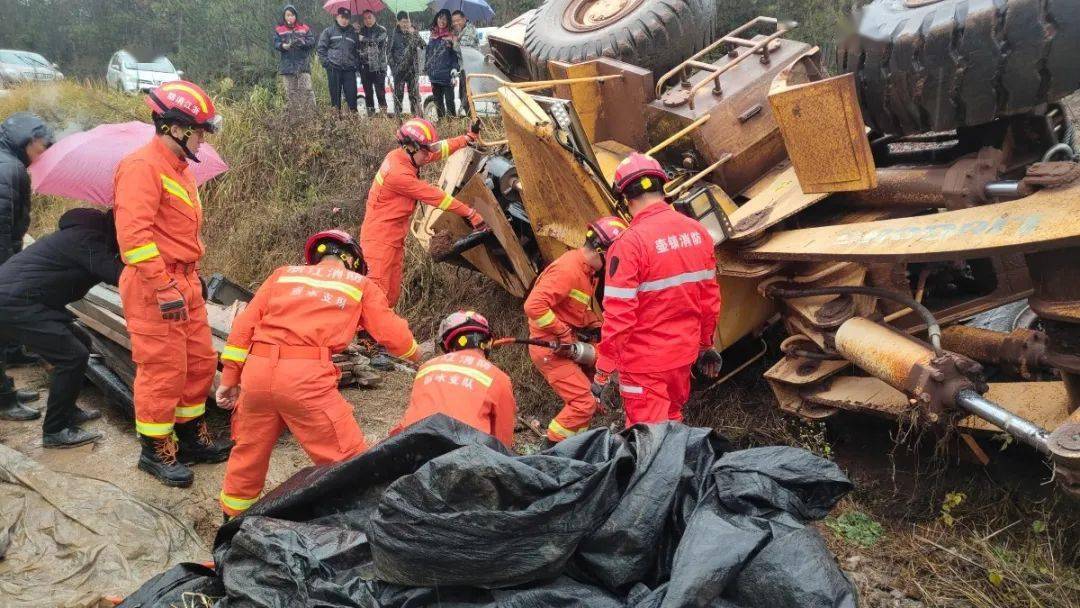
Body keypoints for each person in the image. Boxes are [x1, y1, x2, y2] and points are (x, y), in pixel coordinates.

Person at [216, 230, 420, 519]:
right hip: (305, 379)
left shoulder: (283, 275)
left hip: (257, 373)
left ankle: (231, 523)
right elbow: (393, 335)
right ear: (352, 260)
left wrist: (229, 379)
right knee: (348, 458)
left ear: (317, 256)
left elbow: (243, 327)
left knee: (248, 454)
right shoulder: (359, 284)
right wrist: (418, 355)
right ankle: (364, 524)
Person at [114, 81, 231, 488]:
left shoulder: (180, 170)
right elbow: (134, 238)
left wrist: (185, 280)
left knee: (198, 361)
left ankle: (189, 434)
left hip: (185, 280)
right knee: (162, 369)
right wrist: (163, 286)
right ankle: (155, 447)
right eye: (199, 130)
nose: (202, 138)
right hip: (155, 285)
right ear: (175, 128)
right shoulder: (142, 167)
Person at [593, 153, 723, 425]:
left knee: (647, 436)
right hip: (682, 357)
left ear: (625, 198)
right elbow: (709, 301)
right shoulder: (698, 232)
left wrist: (603, 369)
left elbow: (619, 316)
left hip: (644, 364)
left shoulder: (629, 245)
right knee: (673, 420)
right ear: (663, 188)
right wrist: (705, 345)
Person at [0, 208, 123, 446]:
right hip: (14, 303)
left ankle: (68, 411)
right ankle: (55, 430)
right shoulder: (89, 239)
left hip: (26, 299)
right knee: (72, 355)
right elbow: (117, 274)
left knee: (82, 343)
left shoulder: (87, 235)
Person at [359, 117, 486, 308]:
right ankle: (367, 337)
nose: (428, 155)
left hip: (393, 239)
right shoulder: (397, 174)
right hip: (379, 243)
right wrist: (470, 213)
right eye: (425, 150)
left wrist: (466, 139)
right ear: (411, 147)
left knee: (391, 296)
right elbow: (435, 197)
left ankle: (382, 334)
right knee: (375, 299)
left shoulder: (404, 156)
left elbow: (438, 149)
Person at [526, 216, 628, 444]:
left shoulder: (587, 272)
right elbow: (533, 306)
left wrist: (596, 327)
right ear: (603, 252)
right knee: (584, 404)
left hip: (566, 342)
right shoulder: (568, 270)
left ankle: (575, 444)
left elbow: (576, 308)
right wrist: (562, 332)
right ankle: (551, 448)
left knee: (600, 374)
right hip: (550, 348)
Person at [393, 310, 515, 447]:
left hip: (412, 450)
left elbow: (412, 416)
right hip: (465, 458)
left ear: (448, 343)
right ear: (487, 343)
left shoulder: (426, 368)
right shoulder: (499, 378)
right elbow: (503, 443)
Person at [0, 112, 53, 421]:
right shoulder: (8, 169)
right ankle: (3, 399)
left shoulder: (8, 161)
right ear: (30, 141)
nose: (43, 154)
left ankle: (10, 367)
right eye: (43, 147)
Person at [317, 7, 361, 115]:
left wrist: (356, 64)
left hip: (349, 70)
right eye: (342, 17)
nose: (344, 20)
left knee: (352, 98)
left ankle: (353, 124)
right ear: (337, 17)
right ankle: (336, 124)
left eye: (347, 18)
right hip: (333, 69)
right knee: (335, 100)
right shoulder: (328, 31)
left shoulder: (353, 33)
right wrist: (326, 64)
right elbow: (321, 49)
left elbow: (358, 51)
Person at [273, 4, 316, 111]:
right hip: (287, 67)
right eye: (287, 15)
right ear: (284, 17)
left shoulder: (304, 28)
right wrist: (284, 46)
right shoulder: (279, 29)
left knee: (307, 91)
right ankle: (295, 120)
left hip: (303, 66)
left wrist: (302, 42)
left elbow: (312, 42)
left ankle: (312, 117)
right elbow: (276, 43)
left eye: (292, 15)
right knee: (291, 94)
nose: (290, 17)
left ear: (295, 16)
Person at [388, 11, 425, 118]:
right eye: (403, 22)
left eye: (407, 21)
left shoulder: (413, 33)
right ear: (398, 22)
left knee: (414, 97)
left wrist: (415, 34)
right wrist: (394, 69)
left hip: (412, 71)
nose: (405, 24)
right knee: (398, 97)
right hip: (399, 72)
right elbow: (389, 53)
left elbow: (423, 45)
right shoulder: (393, 34)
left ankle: (417, 119)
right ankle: (398, 121)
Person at [425, 10, 458, 119]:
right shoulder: (432, 35)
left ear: (448, 21)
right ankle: (441, 125)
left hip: (447, 76)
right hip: (434, 76)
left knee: (449, 102)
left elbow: (454, 55)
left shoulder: (451, 36)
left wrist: (454, 68)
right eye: (440, 18)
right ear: (436, 19)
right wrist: (427, 67)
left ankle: (452, 125)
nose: (442, 21)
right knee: (438, 103)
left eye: (445, 19)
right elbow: (428, 54)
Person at [356, 9, 389, 116]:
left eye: (369, 17)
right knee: (368, 95)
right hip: (365, 68)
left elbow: (376, 42)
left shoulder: (382, 30)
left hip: (379, 68)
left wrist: (363, 39)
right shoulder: (360, 31)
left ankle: (384, 119)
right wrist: (354, 31)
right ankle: (371, 118)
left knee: (380, 94)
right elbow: (357, 48)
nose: (367, 20)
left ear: (375, 17)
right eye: (365, 18)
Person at [451, 10, 479, 115]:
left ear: (464, 18)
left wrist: (454, 42)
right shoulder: (462, 31)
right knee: (464, 97)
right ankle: (471, 122)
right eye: (453, 21)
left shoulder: (469, 30)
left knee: (467, 97)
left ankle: (474, 123)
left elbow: (463, 50)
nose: (455, 23)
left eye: (458, 20)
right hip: (465, 69)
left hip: (470, 69)